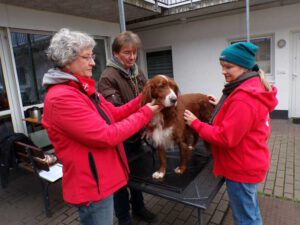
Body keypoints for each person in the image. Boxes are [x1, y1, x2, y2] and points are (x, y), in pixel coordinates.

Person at [42, 28, 160, 225]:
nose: (93, 62)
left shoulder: (83, 89)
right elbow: (106, 135)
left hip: (102, 177)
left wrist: (143, 100)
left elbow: (113, 114)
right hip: (91, 185)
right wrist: (146, 113)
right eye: (87, 57)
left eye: (92, 56)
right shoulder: (62, 98)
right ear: (67, 61)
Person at [184, 42, 278, 225]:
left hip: (241, 168)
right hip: (251, 161)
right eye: (222, 67)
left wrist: (195, 123)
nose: (223, 71)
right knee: (250, 211)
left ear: (244, 66)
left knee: (245, 219)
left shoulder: (244, 98)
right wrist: (222, 104)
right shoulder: (252, 87)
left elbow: (225, 137)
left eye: (228, 67)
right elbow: (243, 118)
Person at [98, 31, 156, 225]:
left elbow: (148, 98)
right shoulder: (108, 77)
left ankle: (139, 208)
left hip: (137, 134)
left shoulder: (137, 72)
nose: (132, 57)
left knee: (137, 175)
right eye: (127, 53)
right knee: (120, 181)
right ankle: (124, 217)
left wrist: (148, 125)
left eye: (134, 52)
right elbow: (116, 113)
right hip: (121, 138)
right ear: (116, 53)